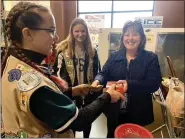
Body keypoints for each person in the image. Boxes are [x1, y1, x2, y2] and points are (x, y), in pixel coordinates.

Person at [1, 2, 124, 138]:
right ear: (27, 33)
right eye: (51, 31)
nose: (56, 37)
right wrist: (107, 96)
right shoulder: (34, 86)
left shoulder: (12, 63)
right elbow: (78, 121)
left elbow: (46, 102)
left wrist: (72, 91)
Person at [92, 20, 162, 137]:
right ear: (123, 37)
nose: (130, 38)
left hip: (138, 111)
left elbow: (153, 83)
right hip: (115, 109)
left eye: (135, 34)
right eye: (127, 34)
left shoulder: (150, 58)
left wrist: (129, 85)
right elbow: (104, 73)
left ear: (141, 38)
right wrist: (97, 80)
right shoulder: (115, 56)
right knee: (113, 134)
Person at [54, 18, 101, 138]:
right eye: (77, 31)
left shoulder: (92, 51)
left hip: (88, 90)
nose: (80, 34)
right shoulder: (63, 51)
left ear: (87, 32)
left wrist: (95, 87)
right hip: (72, 91)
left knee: (87, 119)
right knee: (72, 119)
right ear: (72, 32)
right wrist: (68, 90)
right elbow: (57, 73)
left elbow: (97, 71)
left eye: (83, 31)